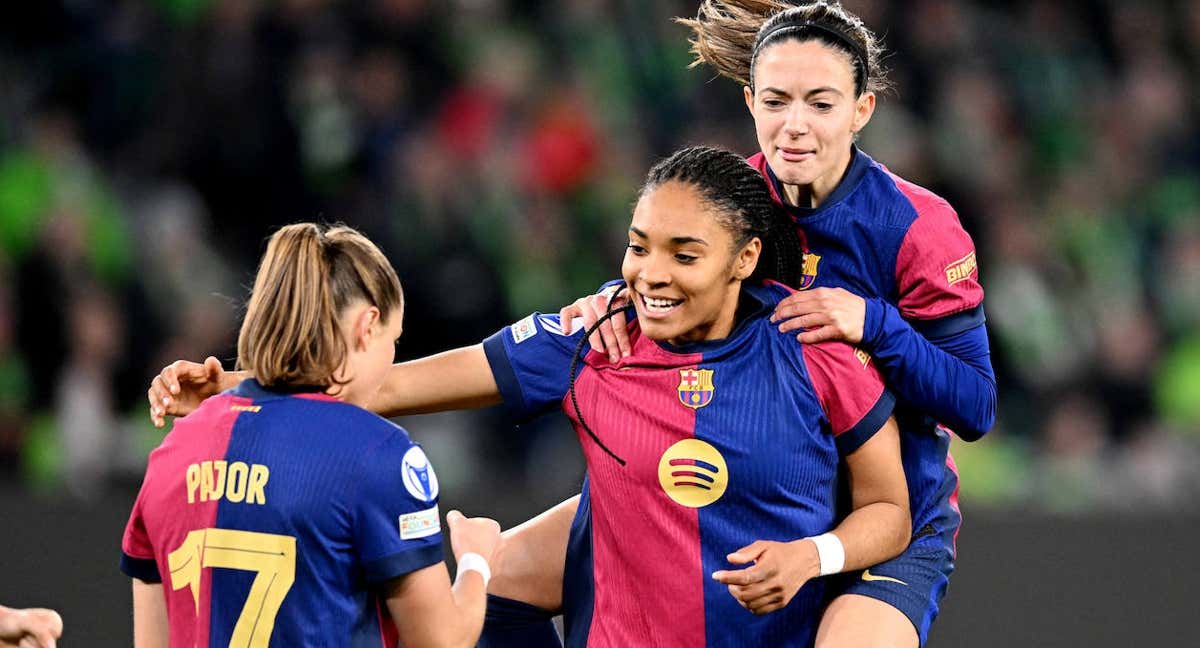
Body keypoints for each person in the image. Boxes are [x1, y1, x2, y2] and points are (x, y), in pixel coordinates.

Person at [147, 146, 912, 647]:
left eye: (685, 254)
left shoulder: (814, 347)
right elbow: (383, 387)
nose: (650, 273)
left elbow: (890, 510)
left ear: (745, 257)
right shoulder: (591, 335)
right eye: (639, 245)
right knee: (476, 592)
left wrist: (811, 557)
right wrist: (242, 385)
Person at [536, 2, 998, 646]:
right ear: (751, 103)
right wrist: (612, 298)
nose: (795, 127)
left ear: (862, 111)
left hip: (885, 518)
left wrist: (874, 323)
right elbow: (664, 272)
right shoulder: (726, 201)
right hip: (748, 500)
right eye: (778, 102)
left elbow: (975, 405)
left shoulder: (918, 227)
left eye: (821, 104)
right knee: (500, 573)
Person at [122, 224, 501, 647]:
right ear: (367, 326)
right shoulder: (378, 453)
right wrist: (475, 561)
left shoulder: (173, 451)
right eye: (393, 340)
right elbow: (441, 643)